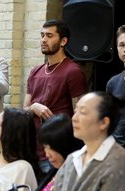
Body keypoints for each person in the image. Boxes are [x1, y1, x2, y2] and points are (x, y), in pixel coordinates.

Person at [23, 19, 87, 173]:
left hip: (57, 152)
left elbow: (79, 114)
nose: (44, 40)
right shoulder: (35, 71)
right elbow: (24, 109)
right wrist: (34, 107)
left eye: (49, 36)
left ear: (63, 41)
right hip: (33, 150)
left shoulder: (73, 72)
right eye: (42, 35)